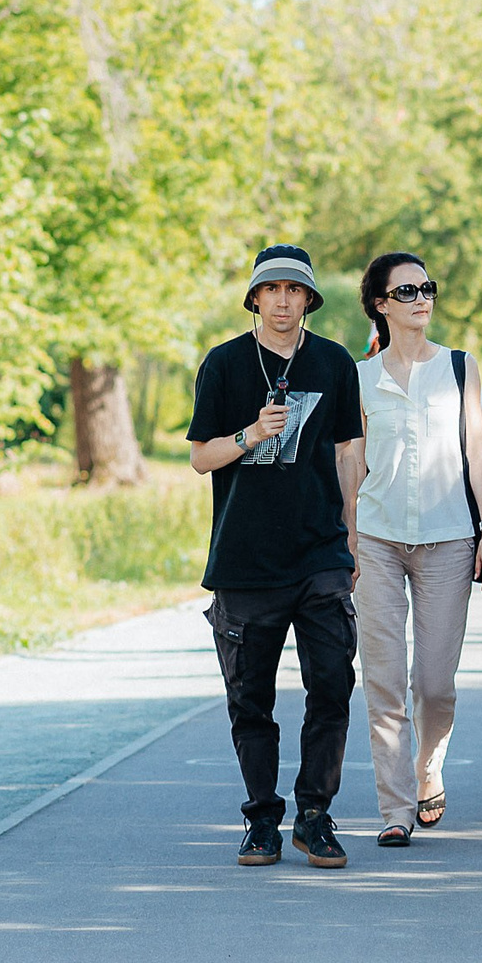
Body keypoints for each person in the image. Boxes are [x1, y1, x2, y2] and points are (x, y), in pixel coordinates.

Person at [186, 244, 367, 871]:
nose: (284, 301)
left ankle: (314, 815)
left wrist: (350, 536)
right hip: (245, 558)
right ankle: (262, 818)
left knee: (333, 685)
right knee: (250, 698)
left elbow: (349, 453)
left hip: (320, 552)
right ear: (256, 298)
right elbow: (200, 457)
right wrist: (250, 434)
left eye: (295, 290)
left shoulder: (335, 362)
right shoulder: (224, 363)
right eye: (272, 290)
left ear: (309, 299)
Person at [350, 253, 482, 848]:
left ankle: (428, 764)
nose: (421, 299)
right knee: (384, 679)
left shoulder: (460, 367)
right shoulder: (361, 378)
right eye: (407, 291)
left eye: (427, 288)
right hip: (377, 538)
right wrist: (348, 537)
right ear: (381, 305)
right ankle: (395, 808)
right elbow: (352, 462)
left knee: (435, 682)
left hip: (448, 538)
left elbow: (474, 454)